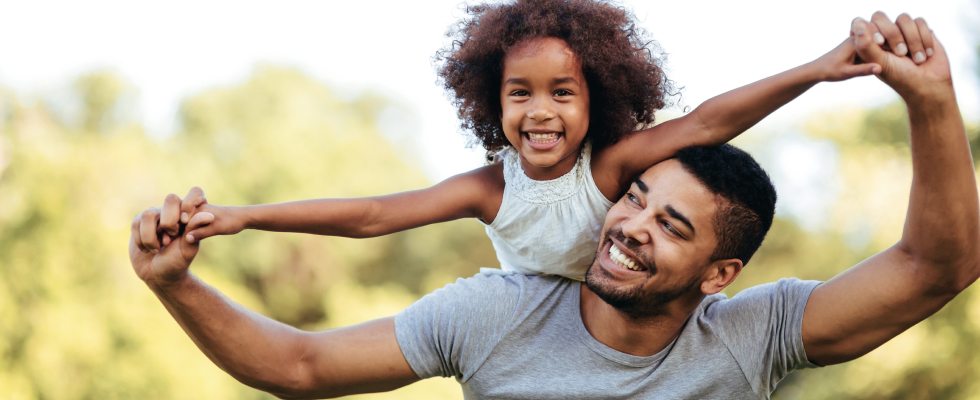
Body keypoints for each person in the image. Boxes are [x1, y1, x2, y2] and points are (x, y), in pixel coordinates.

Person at [129, 13, 979, 399]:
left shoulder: (749, 337)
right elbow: (300, 366)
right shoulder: (493, 313)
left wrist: (928, 100)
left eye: (671, 226)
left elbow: (937, 267)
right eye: (638, 201)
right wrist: (178, 282)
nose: (630, 226)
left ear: (721, 273)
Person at [137, 0, 887, 281]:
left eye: (563, 92)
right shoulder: (489, 189)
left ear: (599, 99)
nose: (540, 112)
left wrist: (819, 71)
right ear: (491, 102)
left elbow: (706, 124)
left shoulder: (611, 168)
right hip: (528, 331)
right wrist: (242, 215)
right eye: (518, 93)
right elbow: (371, 216)